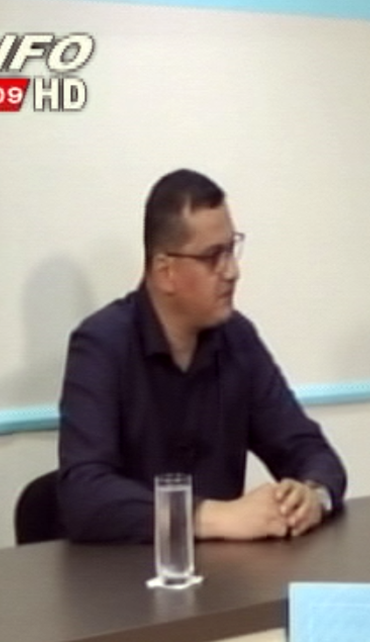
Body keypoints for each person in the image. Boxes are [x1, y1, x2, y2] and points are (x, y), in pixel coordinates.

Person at [57, 169, 347, 543]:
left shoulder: (237, 338)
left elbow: (308, 448)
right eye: (213, 256)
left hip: (223, 572)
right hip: (127, 570)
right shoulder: (101, 343)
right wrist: (213, 517)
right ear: (165, 271)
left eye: (231, 249)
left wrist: (312, 495)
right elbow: (84, 494)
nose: (233, 272)